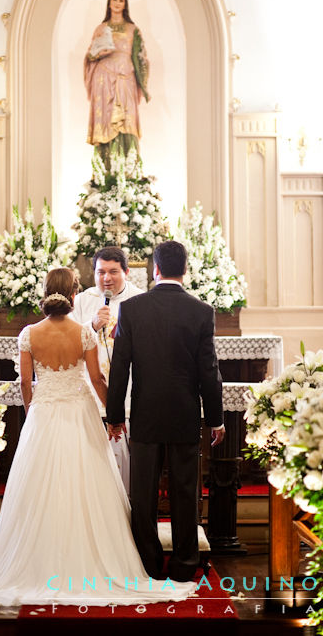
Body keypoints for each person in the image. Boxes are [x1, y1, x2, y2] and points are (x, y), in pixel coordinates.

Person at [0, 267, 194, 606]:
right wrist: (113, 416)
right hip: (80, 413)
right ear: (72, 295)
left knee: (39, 485)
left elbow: (25, 382)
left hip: (44, 414)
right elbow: (96, 380)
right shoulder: (84, 333)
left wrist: (32, 407)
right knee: (87, 482)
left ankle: (38, 561)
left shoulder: (28, 333)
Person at [107, 240, 225, 582]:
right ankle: (185, 566)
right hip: (185, 414)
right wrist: (215, 419)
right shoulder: (202, 311)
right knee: (185, 492)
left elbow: (120, 368)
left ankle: (146, 564)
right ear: (184, 270)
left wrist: (115, 415)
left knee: (142, 493)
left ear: (153, 270)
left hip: (145, 414)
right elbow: (208, 371)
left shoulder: (132, 309)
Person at [72, 246, 143, 491]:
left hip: (130, 387)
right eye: (101, 272)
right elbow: (68, 342)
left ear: (126, 272)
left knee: (126, 459)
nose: (106, 278)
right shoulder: (83, 300)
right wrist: (91, 325)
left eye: (113, 272)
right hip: (92, 388)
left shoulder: (139, 299)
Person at [84, 0, 149, 167]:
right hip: (103, 77)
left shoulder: (132, 29)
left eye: (121, 0)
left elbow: (141, 56)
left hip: (125, 75)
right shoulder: (101, 28)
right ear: (109, 3)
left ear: (125, 4)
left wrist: (143, 82)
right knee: (106, 118)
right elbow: (90, 54)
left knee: (127, 119)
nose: (118, 3)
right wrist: (97, 54)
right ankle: (105, 169)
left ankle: (129, 169)